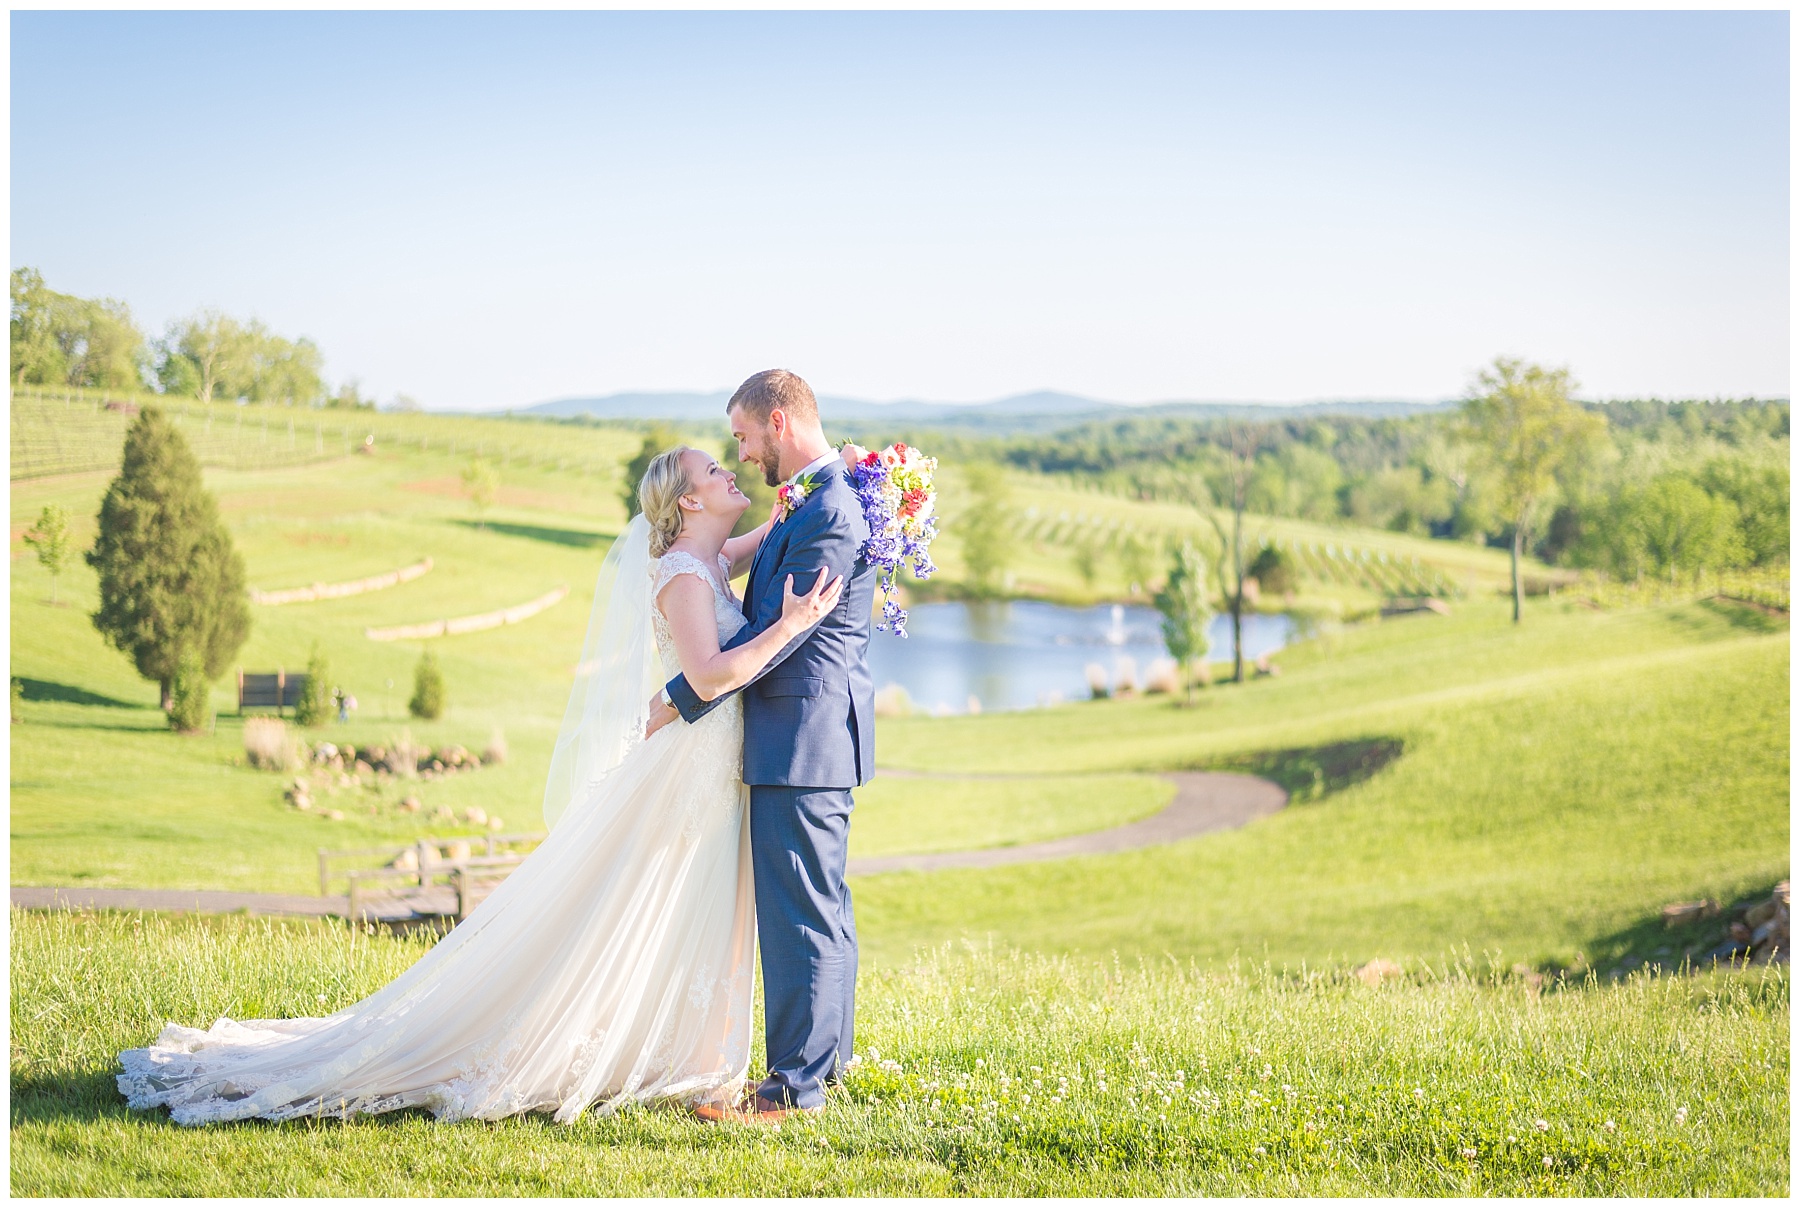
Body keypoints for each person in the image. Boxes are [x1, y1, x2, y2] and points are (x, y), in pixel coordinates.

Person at [117, 436, 844, 1125]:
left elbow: (759, 540)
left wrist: (828, 489)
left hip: (711, 766)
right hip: (692, 765)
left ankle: (683, 1051)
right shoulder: (685, 577)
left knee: (686, 901)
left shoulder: (710, 560)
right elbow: (711, 674)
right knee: (637, 905)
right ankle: (591, 1040)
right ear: (688, 502)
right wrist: (795, 624)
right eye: (715, 470)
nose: (730, 473)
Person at [649, 368, 877, 1121]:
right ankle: (823, 1067)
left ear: (778, 423)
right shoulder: (808, 499)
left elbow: (781, 635)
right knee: (820, 906)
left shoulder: (829, 511)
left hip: (801, 736)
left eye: (744, 437)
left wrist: (680, 695)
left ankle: (792, 1088)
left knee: (800, 916)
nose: (741, 454)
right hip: (804, 735)